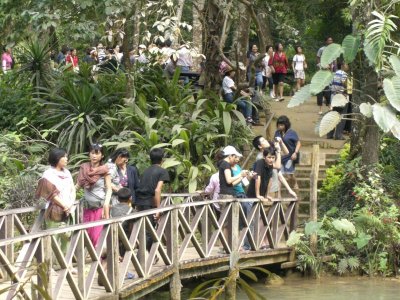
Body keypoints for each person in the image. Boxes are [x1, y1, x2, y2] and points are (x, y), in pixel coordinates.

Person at [35, 148, 76, 252]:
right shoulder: (48, 174)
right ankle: (51, 266)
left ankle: (67, 265)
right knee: (53, 239)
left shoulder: (67, 172)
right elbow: (51, 194)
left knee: (67, 237)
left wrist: (70, 204)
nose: (67, 159)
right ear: (57, 158)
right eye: (64, 157)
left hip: (69, 210)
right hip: (55, 210)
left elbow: (72, 189)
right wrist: (64, 205)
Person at [77, 144, 112, 247]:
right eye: (92, 153)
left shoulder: (104, 170)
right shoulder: (84, 168)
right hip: (87, 208)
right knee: (88, 236)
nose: (94, 156)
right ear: (89, 154)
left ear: (102, 156)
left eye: (97, 153)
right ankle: (98, 260)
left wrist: (106, 204)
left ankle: (99, 261)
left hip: (99, 208)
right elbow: (78, 185)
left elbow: (109, 188)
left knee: (97, 236)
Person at [135, 148, 170, 251]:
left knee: (143, 230)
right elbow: (157, 190)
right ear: (162, 160)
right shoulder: (162, 171)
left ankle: (149, 256)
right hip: (149, 203)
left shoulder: (145, 171)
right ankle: (143, 257)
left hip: (139, 202)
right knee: (149, 231)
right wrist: (158, 209)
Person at [274, 116, 301, 190]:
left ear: (286, 125)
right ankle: (280, 192)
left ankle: (295, 184)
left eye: (282, 125)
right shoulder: (277, 132)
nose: (280, 126)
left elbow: (298, 143)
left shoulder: (292, 132)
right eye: (279, 125)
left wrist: (295, 152)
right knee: (280, 174)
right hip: (280, 156)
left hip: (290, 157)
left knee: (289, 174)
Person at [327, 61, 348, 140]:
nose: (347, 66)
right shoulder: (344, 74)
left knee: (332, 114)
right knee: (342, 115)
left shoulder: (334, 73)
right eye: (346, 64)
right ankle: (338, 135)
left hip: (333, 95)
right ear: (342, 65)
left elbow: (330, 85)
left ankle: (329, 134)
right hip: (341, 96)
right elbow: (345, 83)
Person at [316, 37, 334, 114]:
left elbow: (334, 59)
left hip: (329, 71)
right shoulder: (321, 49)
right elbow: (318, 58)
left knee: (328, 89)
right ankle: (320, 109)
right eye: (329, 40)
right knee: (320, 90)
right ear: (326, 41)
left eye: (331, 40)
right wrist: (320, 65)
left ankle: (329, 105)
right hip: (321, 71)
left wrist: (332, 69)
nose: (330, 41)